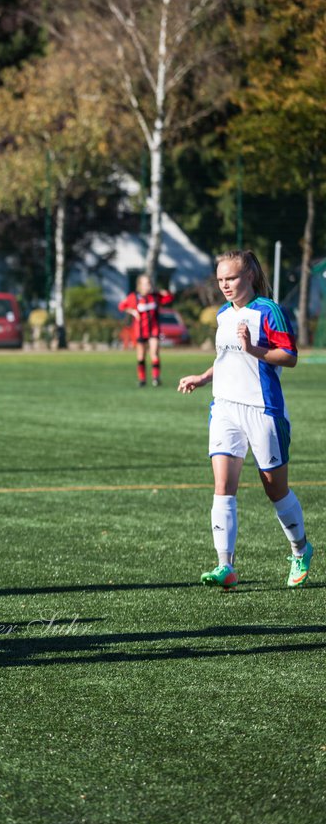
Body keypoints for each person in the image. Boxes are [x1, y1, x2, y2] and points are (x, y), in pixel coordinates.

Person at [177, 250, 312, 590]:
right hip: (224, 407)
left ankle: (300, 549)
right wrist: (203, 377)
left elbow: (290, 357)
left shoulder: (269, 310)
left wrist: (255, 350)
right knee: (223, 488)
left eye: (232, 278)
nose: (225, 285)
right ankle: (226, 566)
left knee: (275, 489)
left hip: (262, 409)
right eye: (221, 279)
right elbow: (225, 357)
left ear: (249, 276)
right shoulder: (224, 314)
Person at [119, 274, 174, 387]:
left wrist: (166, 292)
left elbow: (169, 298)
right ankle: (142, 379)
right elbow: (121, 306)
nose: (148, 285)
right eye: (145, 283)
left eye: (149, 283)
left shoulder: (155, 296)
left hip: (154, 329)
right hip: (140, 330)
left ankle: (156, 378)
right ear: (139, 285)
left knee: (154, 353)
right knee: (141, 356)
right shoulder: (134, 297)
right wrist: (132, 311)